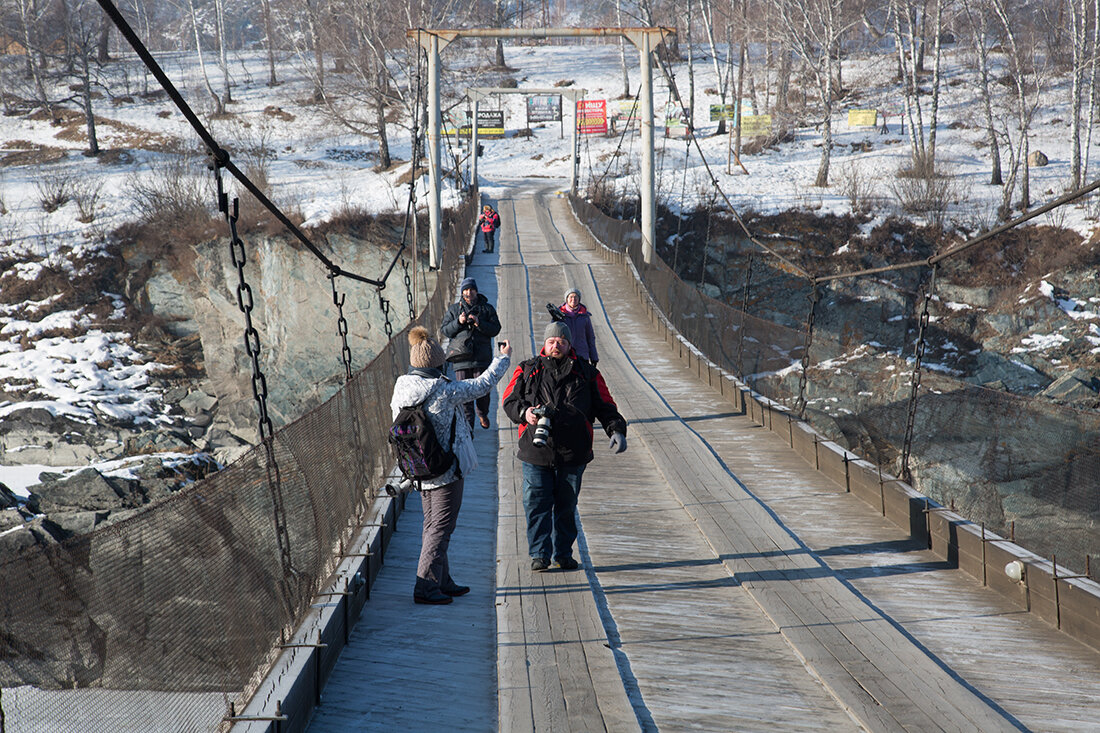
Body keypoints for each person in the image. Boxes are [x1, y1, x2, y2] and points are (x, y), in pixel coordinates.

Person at [391, 326, 512, 605]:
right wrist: (502, 357)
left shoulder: (401, 388)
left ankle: (442, 580)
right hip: (446, 470)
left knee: (432, 525)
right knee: (441, 528)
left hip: (419, 467)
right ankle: (425, 587)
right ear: (437, 362)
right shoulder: (443, 390)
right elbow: (481, 384)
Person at [502, 320, 627, 572]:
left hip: (574, 451)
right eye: (551, 341)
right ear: (544, 344)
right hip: (535, 450)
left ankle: (563, 554)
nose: (556, 345)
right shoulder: (528, 369)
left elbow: (606, 405)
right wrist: (525, 413)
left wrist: (617, 430)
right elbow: (509, 400)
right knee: (536, 502)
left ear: (570, 344)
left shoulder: (587, 373)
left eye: (561, 341)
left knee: (566, 504)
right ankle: (539, 553)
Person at [442, 277, 502, 430]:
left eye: (471, 289)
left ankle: (483, 413)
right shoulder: (454, 310)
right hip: (460, 358)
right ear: (462, 292)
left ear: (476, 291)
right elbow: (445, 330)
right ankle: (468, 429)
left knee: (483, 390)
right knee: (464, 396)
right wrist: (459, 322)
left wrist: (479, 323)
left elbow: (496, 329)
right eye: (466, 290)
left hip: (481, 358)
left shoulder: (486, 309)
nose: (469, 293)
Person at [557, 287, 599, 366]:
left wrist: (594, 357)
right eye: (571, 297)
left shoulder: (584, 316)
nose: (573, 299)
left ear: (579, 299)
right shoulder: (560, 315)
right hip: (565, 355)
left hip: (582, 355)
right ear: (566, 299)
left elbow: (590, 337)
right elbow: (553, 334)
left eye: (576, 297)